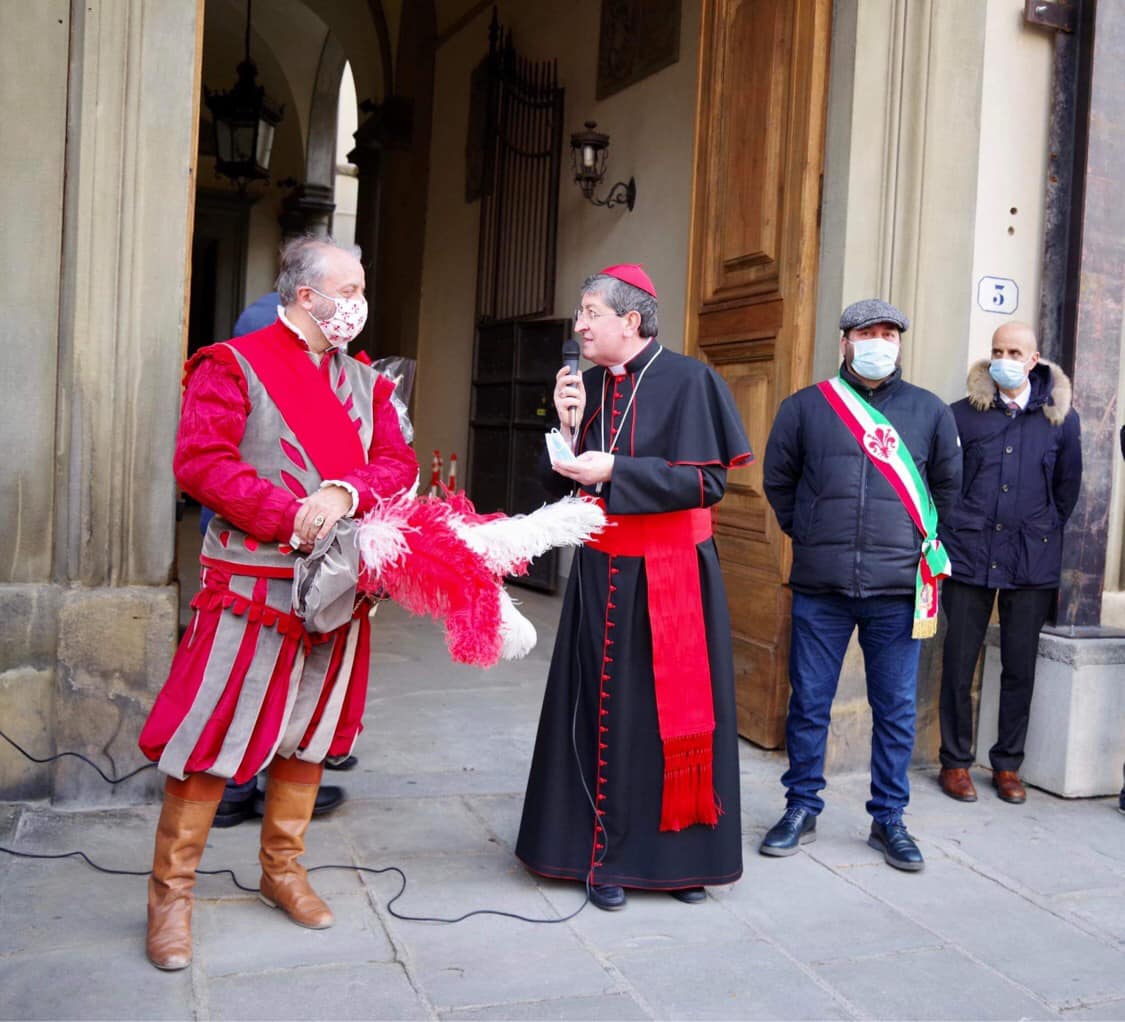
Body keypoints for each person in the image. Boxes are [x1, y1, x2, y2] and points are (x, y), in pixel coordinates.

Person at [137, 237, 417, 970]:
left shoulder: (369, 383)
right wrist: (289, 514)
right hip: (250, 584)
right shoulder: (229, 366)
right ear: (305, 295)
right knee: (211, 738)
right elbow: (201, 463)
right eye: (347, 288)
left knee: (310, 734)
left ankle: (281, 869)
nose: (358, 301)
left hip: (337, 590)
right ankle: (170, 896)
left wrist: (345, 492)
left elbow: (397, 461)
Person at [515, 264, 752, 911]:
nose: (579, 324)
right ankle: (603, 859)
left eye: (591, 311)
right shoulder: (584, 386)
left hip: (673, 575)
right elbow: (557, 483)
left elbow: (705, 484)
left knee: (671, 720)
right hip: (601, 573)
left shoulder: (691, 380)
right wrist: (565, 431)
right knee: (600, 714)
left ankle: (677, 862)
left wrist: (616, 466)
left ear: (630, 320)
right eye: (579, 312)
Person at [761, 299, 961, 872]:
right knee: (810, 702)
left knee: (895, 707)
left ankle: (889, 817)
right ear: (845, 341)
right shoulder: (806, 407)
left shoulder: (927, 411)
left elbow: (948, 488)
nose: (880, 342)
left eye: (890, 334)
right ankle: (802, 805)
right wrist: (813, 532)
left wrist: (909, 542)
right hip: (821, 587)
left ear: (900, 343)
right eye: (868, 333)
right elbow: (780, 480)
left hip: (898, 590)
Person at [937, 322, 1082, 805]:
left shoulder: (1062, 420)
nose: (1005, 358)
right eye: (997, 350)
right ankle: (955, 762)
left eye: (1014, 351)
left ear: (1034, 358)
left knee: (1020, 666)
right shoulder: (961, 416)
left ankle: (1007, 765)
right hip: (969, 553)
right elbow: (946, 482)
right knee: (959, 662)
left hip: (1030, 560)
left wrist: (1038, 528)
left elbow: (1067, 491)